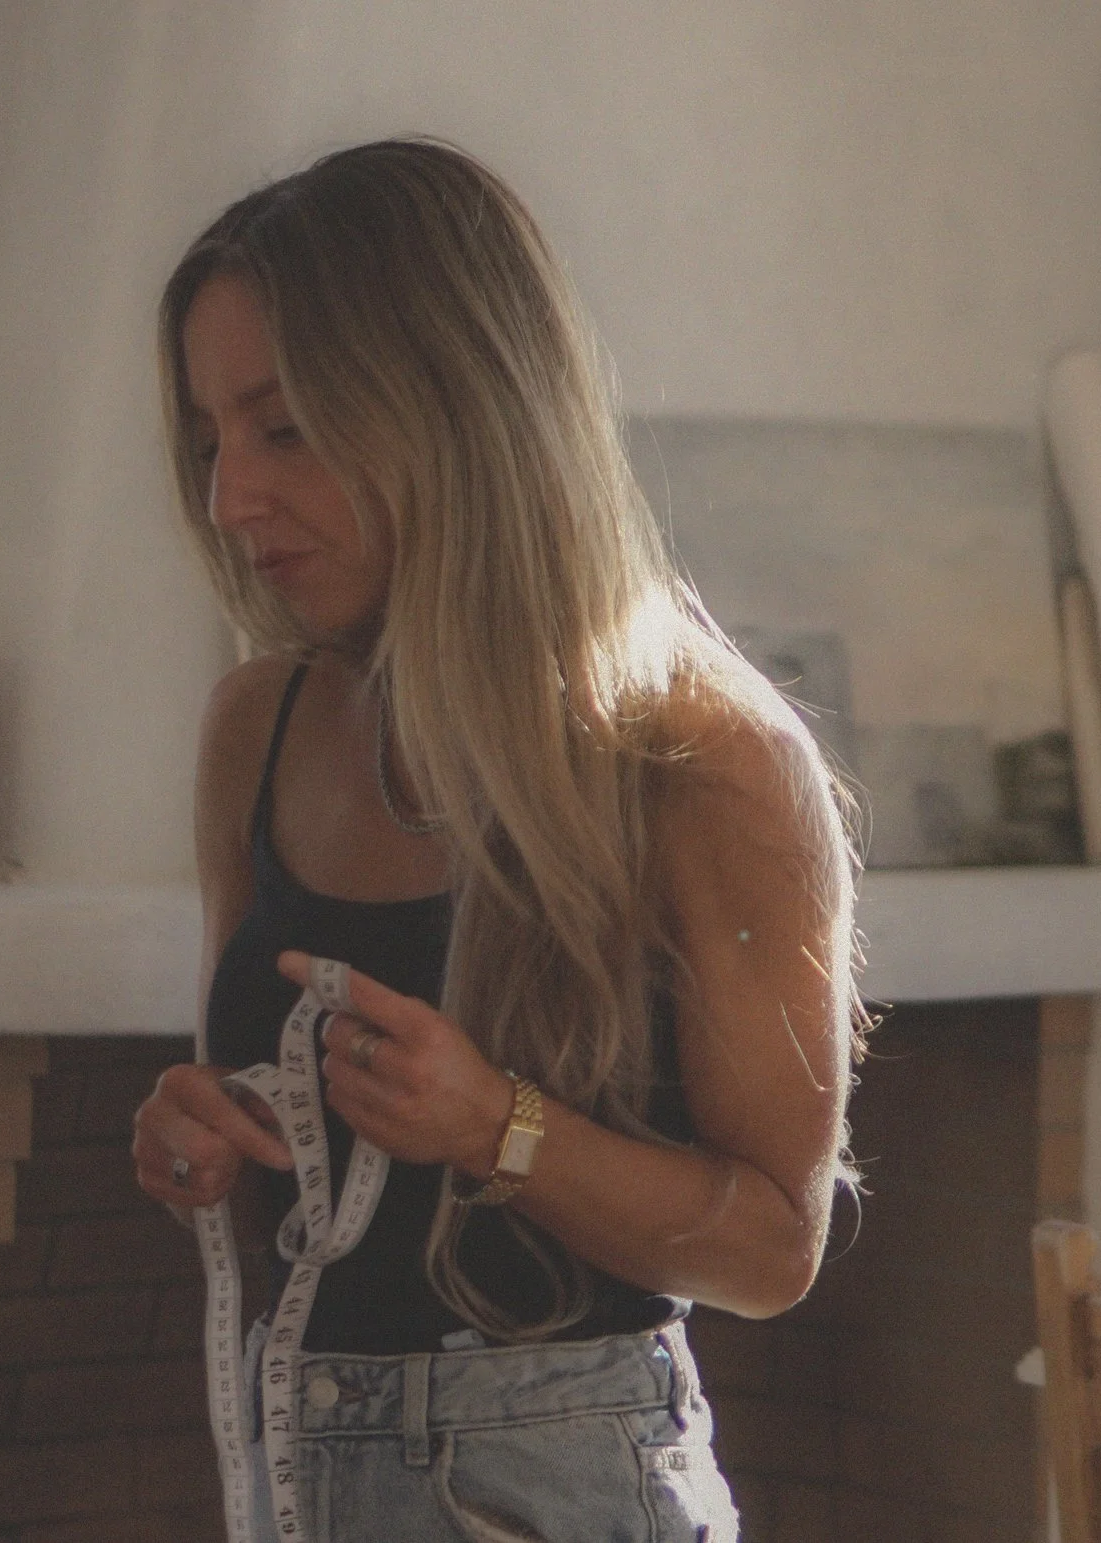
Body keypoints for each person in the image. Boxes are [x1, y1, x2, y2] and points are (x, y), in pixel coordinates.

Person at [127, 137, 860, 1541]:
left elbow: (776, 1248)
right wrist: (200, 1143)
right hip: (299, 1470)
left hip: (565, 1488)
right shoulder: (255, 730)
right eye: (211, 441)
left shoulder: (707, 762)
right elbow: (292, 1190)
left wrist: (499, 1129)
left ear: (453, 407)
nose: (229, 500)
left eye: (284, 429)